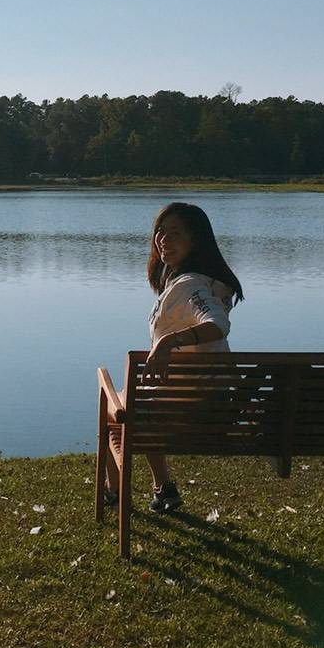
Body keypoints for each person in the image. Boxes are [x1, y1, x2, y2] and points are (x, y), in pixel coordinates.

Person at [108, 201, 245, 513]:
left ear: (195, 240)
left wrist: (170, 341)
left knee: (113, 408)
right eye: (160, 232)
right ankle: (163, 489)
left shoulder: (189, 286)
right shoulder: (211, 284)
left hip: (185, 413)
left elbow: (217, 325)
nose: (163, 239)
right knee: (134, 398)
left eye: (175, 233)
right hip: (216, 406)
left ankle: (114, 492)